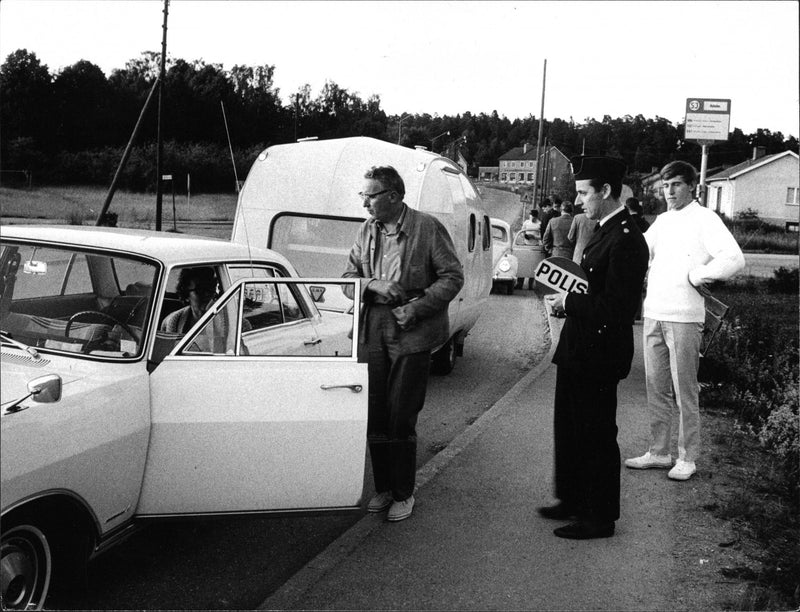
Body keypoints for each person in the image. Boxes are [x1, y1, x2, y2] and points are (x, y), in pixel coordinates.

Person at [343, 165, 464, 522]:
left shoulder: (427, 228)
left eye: (371, 195)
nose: (365, 202)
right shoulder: (366, 230)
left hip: (413, 326)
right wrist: (372, 285)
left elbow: (453, 276)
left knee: (401, 415)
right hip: (374, 325)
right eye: (363, 195)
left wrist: (418, 308)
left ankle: (403, 492)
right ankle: (383, 488)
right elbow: (346, 277)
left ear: (394, 196)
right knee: (375, 414)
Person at [540, 156, 648, 540]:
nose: (579, 201)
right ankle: (572, 498)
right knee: (569, 428)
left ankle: (600, 517)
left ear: (605, 192)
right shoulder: (604, 230)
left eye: (584, 193)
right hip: (579, 349)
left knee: (596, 434)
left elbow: (617, 309)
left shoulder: (628, 240)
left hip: (600, 354)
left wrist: (566, 303)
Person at [625, 161, 745, 481]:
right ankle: (660, 451)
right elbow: (638, 255)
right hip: (654, 313)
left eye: (676, 184)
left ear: (692, 186)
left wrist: (698, 274)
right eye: (665, 186)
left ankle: (687, 456)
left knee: (685, 390)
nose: (670, 191)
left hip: (684, 318)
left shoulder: (705, 218)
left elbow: (734, 259)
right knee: (656, 388)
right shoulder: (662, 221)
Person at [160, 267, 218, 333]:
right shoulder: (174, 321)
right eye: (200, 290)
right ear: (186, 295)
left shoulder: (226, 318)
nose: (207, 294)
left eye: (210, 288)